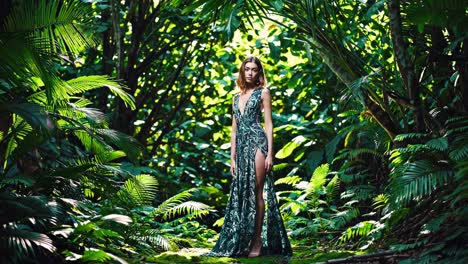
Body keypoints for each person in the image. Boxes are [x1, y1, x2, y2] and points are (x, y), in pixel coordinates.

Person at [205, 56, 292, 258]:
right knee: (243, 193)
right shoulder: (235, 98)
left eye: (254, 69)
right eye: (247, 69)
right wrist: (232, 158)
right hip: (241, 148)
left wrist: (271, 153)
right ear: (242, 72)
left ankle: (257, 241)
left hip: (258, 144)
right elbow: (234, 130)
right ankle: (243, 240)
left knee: (256, 192)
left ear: (259, 73)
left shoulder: (264, 93)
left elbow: (269, 124)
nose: (250, 73)